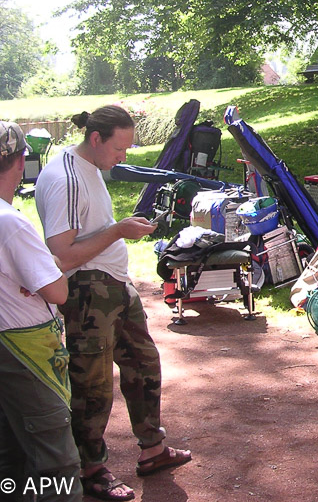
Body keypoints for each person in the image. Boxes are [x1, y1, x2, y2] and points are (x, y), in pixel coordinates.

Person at [35, 106, 191, 501]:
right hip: (86, 292)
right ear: (96, 139)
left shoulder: (89, 168)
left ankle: (152, 449)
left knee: (143, 362)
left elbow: (89, 232)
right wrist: (120, 230)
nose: (124, 156)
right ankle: (91, 469)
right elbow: (63, 257)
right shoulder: (65, 179)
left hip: (114, 285)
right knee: (93, 384)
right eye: (120, 148)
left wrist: (120, 228)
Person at [0, 121, 82, 502]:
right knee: (56, 462)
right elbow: (58, 291)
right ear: (20, 164)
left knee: (11, 452)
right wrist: (49, 263)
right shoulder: (11, 222)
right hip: (24, 354)